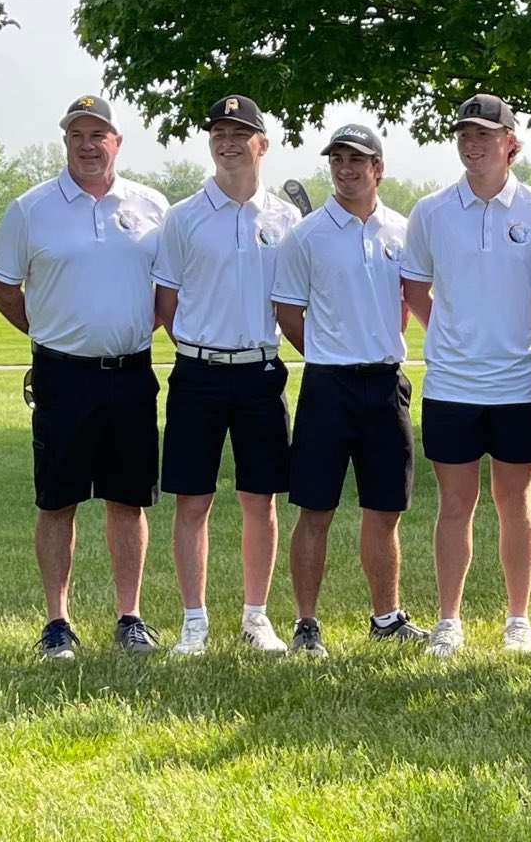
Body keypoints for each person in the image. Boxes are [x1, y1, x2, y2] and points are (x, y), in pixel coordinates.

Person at [0, 95, 168, 657]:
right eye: (77, 135)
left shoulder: (152, 205)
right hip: (62, 376)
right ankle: (57, 623)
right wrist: (48, 333)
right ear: (66, 141)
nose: (88, 145)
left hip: (131, 372)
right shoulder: (30, 208)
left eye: (99, 135)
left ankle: (129, 617)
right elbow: (1, 286)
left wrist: (135, 328)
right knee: (58, 500)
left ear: (118, 141)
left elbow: (166, 291)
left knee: (127, 500)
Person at [402, 94, 531, 656]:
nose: (473, 144)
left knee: (516, 503)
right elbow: (416, 286)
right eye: (465, 134)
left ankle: (518, 619)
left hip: (518, 382)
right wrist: (455, 330)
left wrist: (515, 333)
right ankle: (449, 620)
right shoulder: (432, 211)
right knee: (455, 504)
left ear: (510, 142)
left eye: (485, 135)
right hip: (451, 384)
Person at [272, 124, 428, 657]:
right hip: (328, 385)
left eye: (356, 160)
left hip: (385, 386)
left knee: (384, 510)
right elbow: (289, 313)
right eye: (337, 160)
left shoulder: (403, 232)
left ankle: (387, 617)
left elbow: (416, 298)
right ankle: (306, 624)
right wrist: (324, 349)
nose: (345, 169)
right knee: (315, 510)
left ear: (377, 168)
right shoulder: (306, 235)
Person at [153, 95, 297, 655]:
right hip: (197, 373)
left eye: (240, 132)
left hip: (261, 373)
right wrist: (203, 348)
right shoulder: (183, 216)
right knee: (193, 500)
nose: (227, 141)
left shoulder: (286, 219)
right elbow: (166, 303)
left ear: (262, 143)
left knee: (259, 499)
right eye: (218, 131)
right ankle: (195, 621)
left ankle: (256, 617)